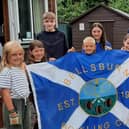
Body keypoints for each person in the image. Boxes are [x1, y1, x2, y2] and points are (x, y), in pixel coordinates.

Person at [0, 41, 31, 129]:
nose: (18, 57)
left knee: (26, 126)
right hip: (13, 104)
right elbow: (5, 92)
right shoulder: (6, 71)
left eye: (20, 54)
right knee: (14, 127)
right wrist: (12, 111)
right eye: (14, 55)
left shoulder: (22, 68)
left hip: (25, 102)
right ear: (7, 56)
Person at [26, 40, 47, 129]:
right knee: (37, 118)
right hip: (34, 97)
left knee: (45, 117)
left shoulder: (47, 64)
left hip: (46, 96)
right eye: (36, 51)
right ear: (31, 52)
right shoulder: (28, 66)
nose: (39, 53)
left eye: (41, 50)